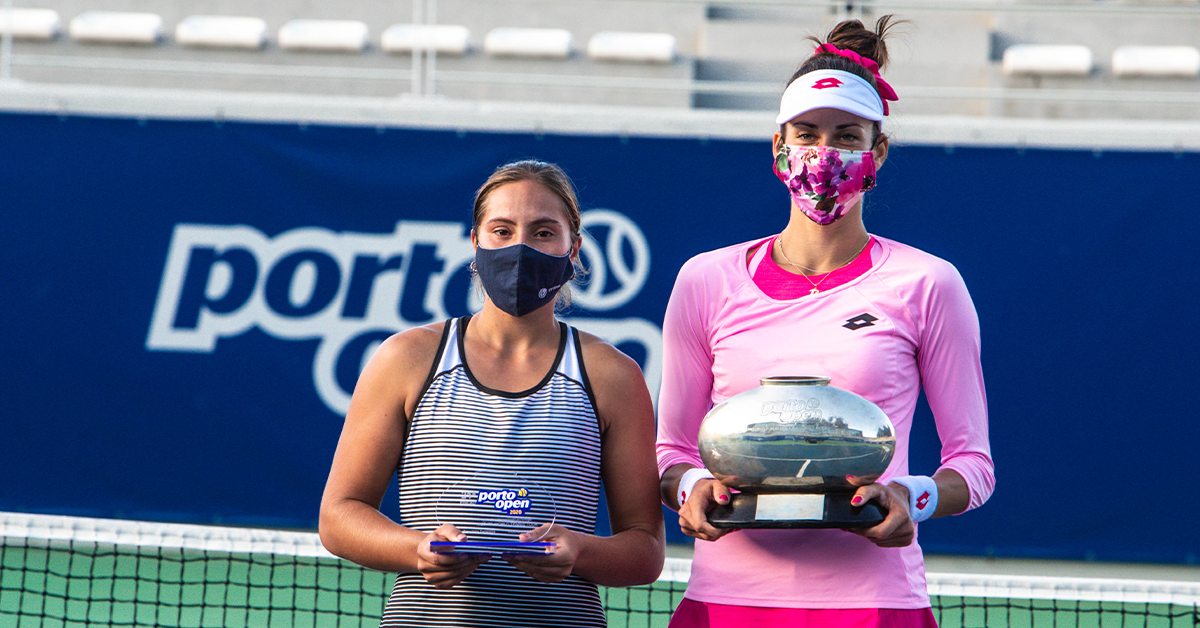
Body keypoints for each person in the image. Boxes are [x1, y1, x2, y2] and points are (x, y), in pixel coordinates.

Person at [655, 17, 996, 628]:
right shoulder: (705, 280)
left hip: (875, 602)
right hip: (726, 600)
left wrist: (910, 499)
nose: (824, 153)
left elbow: (973, 465)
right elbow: (671, 452)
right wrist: (689, 489)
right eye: (807, 133)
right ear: (779, 145)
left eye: (847, 136)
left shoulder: (928, 283)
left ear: (877, 152)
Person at [320, 160, 666, 628]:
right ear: (475, 243)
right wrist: (418, 549)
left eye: (543, 232)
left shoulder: (614, 376)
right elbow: (339, 516)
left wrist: (578, 551)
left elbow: (645, 550)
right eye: (502, 230)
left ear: (574, 247)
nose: (521, 247)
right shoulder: (406, 358)